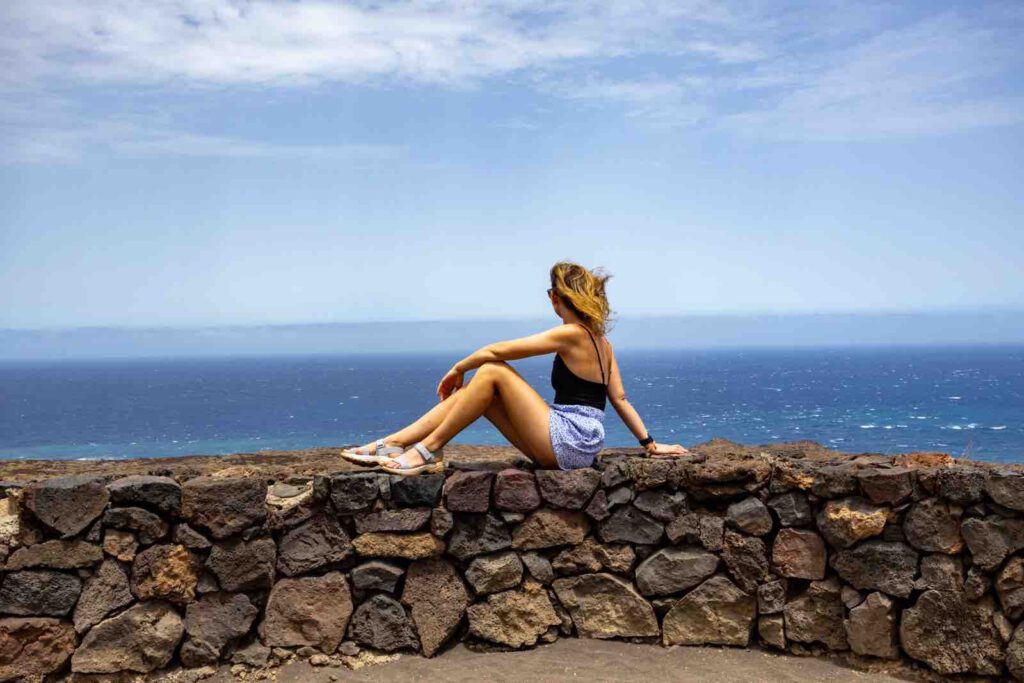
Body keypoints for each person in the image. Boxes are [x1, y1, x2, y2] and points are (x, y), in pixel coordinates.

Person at [342, 260, 690, 475]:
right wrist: (650, 443)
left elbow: (499, 350)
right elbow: (621, 399)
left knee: (493, 370)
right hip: (579, 446)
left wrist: (458, 367)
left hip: (568, 440)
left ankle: (426, 450)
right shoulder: (603, 343)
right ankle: (390, 445)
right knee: (479, 395)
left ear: (556, 297)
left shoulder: (571, 334)